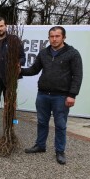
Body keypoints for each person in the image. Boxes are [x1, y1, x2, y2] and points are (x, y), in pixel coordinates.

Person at [21, 26, 83, 165]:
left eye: (57, 36)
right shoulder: (44, 53)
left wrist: (72, 95)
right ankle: (40, 145)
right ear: (48, 37)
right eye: (51, 36)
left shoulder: (72, 53)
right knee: (42, 122)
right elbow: (34, 70)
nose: (54, 39)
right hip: (43, 94)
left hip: (61, 97)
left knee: (60, 124)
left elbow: (77, 76)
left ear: (63, 37)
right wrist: (19, 71)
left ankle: (60, 151)